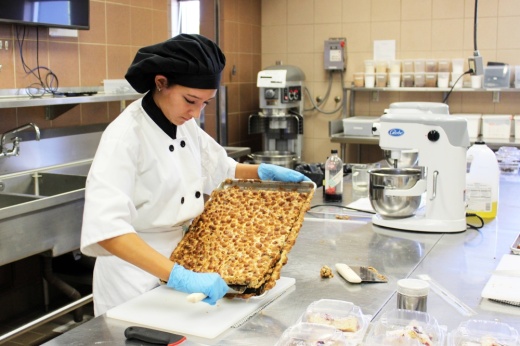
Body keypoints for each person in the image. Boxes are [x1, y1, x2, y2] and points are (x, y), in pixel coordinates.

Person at [80, 34, 310, 316]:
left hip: (184, 260)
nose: (196, 113)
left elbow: (222, 169)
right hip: (134, 278)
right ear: (161, 83)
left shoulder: (182, 123)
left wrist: (265, 173)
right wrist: (179, 276)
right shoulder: (125, 137)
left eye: (206, 103)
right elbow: (108, 231)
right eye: (191, 100)